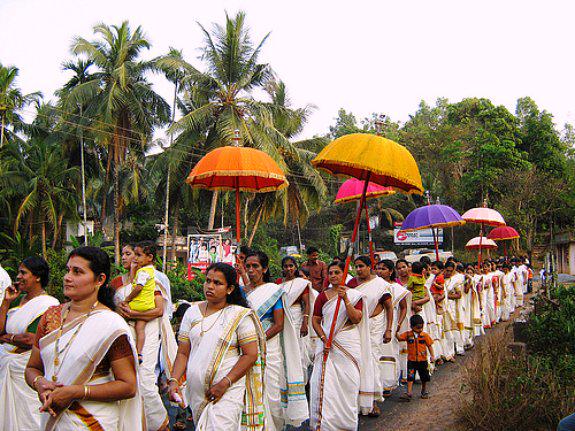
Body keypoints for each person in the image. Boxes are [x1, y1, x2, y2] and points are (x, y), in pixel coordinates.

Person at [25, 246, 141, 431]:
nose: (67, 277)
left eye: (77, 272)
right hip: (52, 417)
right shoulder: (50, 317)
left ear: (100, 279)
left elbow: (128, 386)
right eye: (68, 270)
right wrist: (40, 384)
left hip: (93, 422)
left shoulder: (111, 325)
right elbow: (32, 368)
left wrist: (76, 392)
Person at [168, 263, 268, 430]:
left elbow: (250, 355)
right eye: (208, 281)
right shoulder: (192, 313)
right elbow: (183, 353)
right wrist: (173, 380)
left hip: (228, 390)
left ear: (229, 289)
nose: (210, 286)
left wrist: (224, 383)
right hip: (197, 392)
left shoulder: (238, 315)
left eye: (217, 283)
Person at [243, 251, 308, 429]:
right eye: (247, 266)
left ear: (264, 269)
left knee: (271, 392)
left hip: (268, 348)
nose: (250, 270)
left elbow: (279, 324)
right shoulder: (241, 292)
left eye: (255, 266)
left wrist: (258, 340)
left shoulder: (273, 291)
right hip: (245, 348)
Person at [113, 243, 173, 431]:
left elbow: (158, 310)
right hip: (122, 333)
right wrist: (119, 310)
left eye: (130, 254)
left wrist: (132, 314)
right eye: (123, 254)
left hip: (146, 332)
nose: (125, 258)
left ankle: (160, 425)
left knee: (145, 382)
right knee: (122, 380)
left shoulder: (151, 280)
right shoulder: (116, 283)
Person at [309, 261, 373, 430]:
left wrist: (345, 300)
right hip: (327, 346)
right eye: (331, 273)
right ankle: (326, 425)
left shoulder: (354, 295)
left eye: (337, 272)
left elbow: (356, 319)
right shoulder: (323, 296)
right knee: (325, 384)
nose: (334, 276)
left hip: (347, 343)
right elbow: (315, 320)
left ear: (344, 275)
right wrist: (323, 337)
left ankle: (346, 424)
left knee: (348, 383)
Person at [0, 256, 60, 431]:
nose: (18, 277)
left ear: (38, 277)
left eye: (23, 273)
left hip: (25, 368)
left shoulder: (49, 304)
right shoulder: (16, 301)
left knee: (28, 419)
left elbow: (32, 339)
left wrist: (7, 338)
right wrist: (5, 302)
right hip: (6, 364)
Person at [352, 255, 393, 416]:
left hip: (374, 327)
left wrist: (389, 329)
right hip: (356, 327)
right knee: (357, 362)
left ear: (370, 267)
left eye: (361, 266)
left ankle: (373, 400)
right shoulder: (352, 284)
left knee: (372, 362)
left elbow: (389, 307)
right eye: (356, 266)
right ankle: (357, 401)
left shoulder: (381, 285)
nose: (358, 269)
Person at [375, 260, 410, 394]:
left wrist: (398, 325)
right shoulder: (373, 286)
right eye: (378, 268)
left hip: (391, 322)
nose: (380, 271)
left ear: (390, 272)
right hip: (375, 323)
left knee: (389, 351)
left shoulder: (397, 288)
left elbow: (403, 308)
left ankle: (388, 383)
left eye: (383, 269)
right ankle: (376, 383)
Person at [278, 256, 314, 384]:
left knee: (298, 350)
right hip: (283, 319)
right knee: (284, 351)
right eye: (286, 266)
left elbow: (307, 304)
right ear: (282, 268)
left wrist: (305, 322)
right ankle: (287, 382)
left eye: (291, 266)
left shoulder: (301, 284)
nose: (288, 269)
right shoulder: (279, 285)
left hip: (296, 318)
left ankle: (301, 382)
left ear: (295, 267)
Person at [121, 241, 157, 362]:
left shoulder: (144, 272)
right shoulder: (148, 271)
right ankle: (139, 353)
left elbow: (137, 287)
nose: (124, 258)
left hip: (138, 307)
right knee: (139, 328)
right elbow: (133, 283)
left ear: (150, 257)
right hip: (145, 308)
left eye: (136, 255)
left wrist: (127, 300)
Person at [397, 314, 435, 401]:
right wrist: (395, 331)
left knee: (424, 377)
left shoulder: (425, 336)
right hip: (412, 361)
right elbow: (399, 338)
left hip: (422, 360)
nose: (420, 330)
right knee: (410, 377)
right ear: (411, 326)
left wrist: (432, 356)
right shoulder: (408, 335)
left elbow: (429, 346)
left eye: (421, 327)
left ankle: (424, 391)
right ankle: (409, 393)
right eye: (418, 328)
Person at [442, 262, 465, 359]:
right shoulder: (439, 279)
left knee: (455, 328)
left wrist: (446, 296)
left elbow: (459, 295)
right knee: (447, 330)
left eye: (451, 271)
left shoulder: (455, 281)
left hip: (453, 307)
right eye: (447, 271)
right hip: (443, 307)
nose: (449, 273)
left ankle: (459, 348)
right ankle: (449, 351)